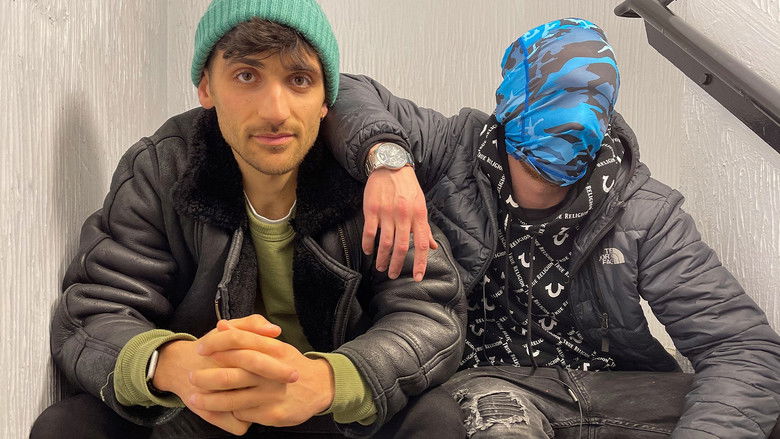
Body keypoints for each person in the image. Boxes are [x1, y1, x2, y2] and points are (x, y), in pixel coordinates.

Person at [322, 18, 780, 438]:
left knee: (743, 409)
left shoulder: (645, 212)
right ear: (510, 100)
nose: (575, 119)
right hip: (485, 386)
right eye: (556, 96)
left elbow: (741, 346)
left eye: (594, 102)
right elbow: (343, 90)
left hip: (610, 389)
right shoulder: (451, 150)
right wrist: (387, 159)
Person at [30, 1, 467, 438]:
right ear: (206, 88)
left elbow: (429, 313)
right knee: (68, 425)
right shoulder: (163, 168)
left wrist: (329, 381)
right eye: (246, 76)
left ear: (325, 100)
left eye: (299, 80)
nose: (275, 111)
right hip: (204, 410)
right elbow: (95, 308)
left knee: (436, 418)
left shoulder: (368, 179)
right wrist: (169, 364)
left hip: (331, 413)